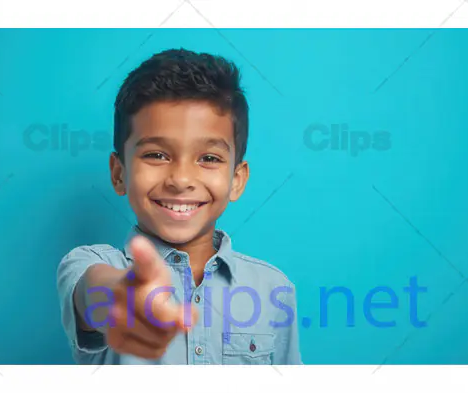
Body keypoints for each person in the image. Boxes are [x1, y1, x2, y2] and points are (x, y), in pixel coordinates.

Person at [56, 48, 301, 365]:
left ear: (237, 179)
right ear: (119, 173)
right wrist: (119, 297)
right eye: (156, 155)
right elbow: (94, 292)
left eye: (209, 158)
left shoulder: (275, 288)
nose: (181, 179)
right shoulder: (91, 265)